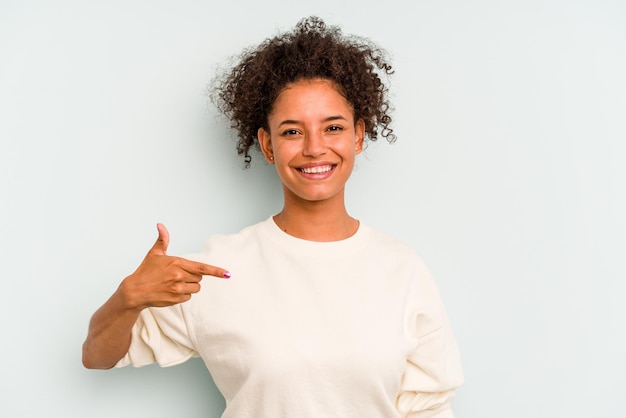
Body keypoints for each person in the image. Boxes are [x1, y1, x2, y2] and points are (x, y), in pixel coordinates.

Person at [82, 16, 464, 418]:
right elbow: (98, 356)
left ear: (358, 135)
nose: (315, 148)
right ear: (267, 145)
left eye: (332, 127)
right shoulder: (218, 270)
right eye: (292, 132)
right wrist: (127, 299)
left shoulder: (402, 270)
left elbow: (430, 407)